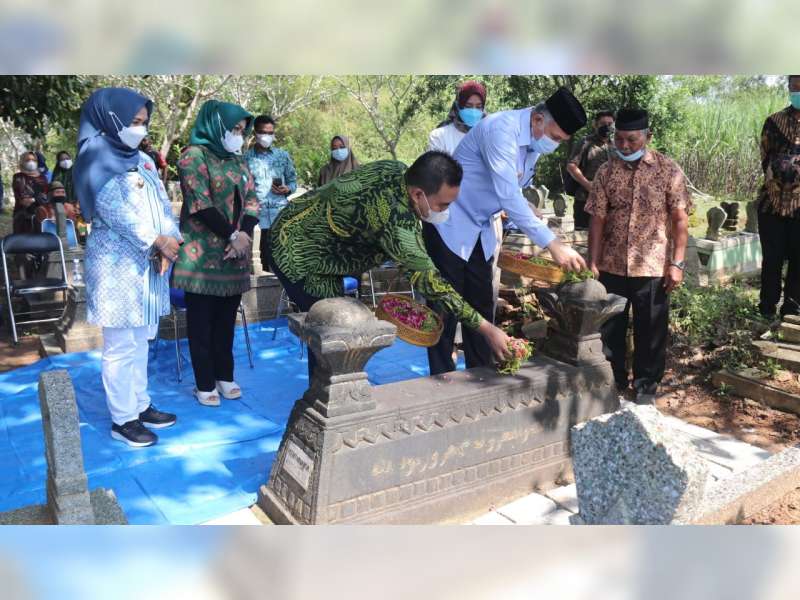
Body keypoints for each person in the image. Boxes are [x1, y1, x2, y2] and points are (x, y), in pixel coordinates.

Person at [268, 152, 512, 379]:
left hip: (317, 240)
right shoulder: (396, 223)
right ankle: (328, 405)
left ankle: (336, 389)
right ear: (418, 195)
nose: (445, 212)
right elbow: (432, 284)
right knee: (331, 329)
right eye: (443, 205)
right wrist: (487, 329)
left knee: (335, 328)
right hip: (296, 250)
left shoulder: (396, 170)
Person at [425, 86, 588, 375]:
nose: (555, 144)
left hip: (481, 230)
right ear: (538, 119)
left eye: (560, 140)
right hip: (451, 223)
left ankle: (480, 376)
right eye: (555, 137)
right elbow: (508, 195)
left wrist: (529, 207)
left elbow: (514, 190)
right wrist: (554, 245)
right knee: (444, 307)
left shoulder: (533, 143)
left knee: (481, 305)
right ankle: (440, 379)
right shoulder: (501, 130)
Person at [74, 87, 181, 447]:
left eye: (144, 123)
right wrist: (157, 240)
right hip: (117, 268)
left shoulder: (143, 159)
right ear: (112, 119)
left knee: (142, 339)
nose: (141, 129)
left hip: (150, 266)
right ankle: (123, 420)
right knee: (120, 344)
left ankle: (140, 403)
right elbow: (112, 209)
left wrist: (172, 239)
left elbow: (164, 203)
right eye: (134, 122)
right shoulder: (95, 157)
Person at [585, 108, 691, 405]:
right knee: (610, 328)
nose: (625, 146)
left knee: (651, 329)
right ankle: (613, 380)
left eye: (632, 140)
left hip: (653, 266)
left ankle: (646, 385)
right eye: (619, 139)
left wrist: (677, 263)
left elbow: (680, 219)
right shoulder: (606, 172)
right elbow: (597, 220)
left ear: (647, 137)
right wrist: (592, 261)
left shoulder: (668, 170)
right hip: (611, 266)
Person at [172, 100, 260, 407]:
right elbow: (200, 202)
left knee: (226, 321)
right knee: (202, 323)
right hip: (202, 255)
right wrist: (232, 235)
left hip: (234, 254)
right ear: (215, 125)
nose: (238, 135)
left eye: (241, 130)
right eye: (233, 129)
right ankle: (204, 383)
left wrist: (244, 235)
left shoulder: (239, 160)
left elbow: (252, 199)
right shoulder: (193, 156)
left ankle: (225, 376)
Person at [755, 74, 800, 319]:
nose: (797, 90)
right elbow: (766, 157)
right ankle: (766, 309)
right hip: (771, 204)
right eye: (794, 86)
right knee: (771, 260)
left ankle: (792, 311)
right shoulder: (774, 122)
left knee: (798, 261)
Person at [245, 115, 297, 273]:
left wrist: (287, 189)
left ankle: (281, 296)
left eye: (270, 133)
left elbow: (293, 181)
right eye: (262, 132)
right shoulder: (245, 158)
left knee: (281, 263)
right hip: (256, 220)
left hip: (280, 217)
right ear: (255, 133)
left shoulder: (283, 156)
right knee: (260, 265)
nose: (266, 136)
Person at [566, 110, 615, 229]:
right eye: (603, 123)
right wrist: (587, 184)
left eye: (610, 124)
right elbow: (571, 166)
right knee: (582, 239)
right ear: (595, 124)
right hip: (585, 200)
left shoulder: (615, 146)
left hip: (608, 202)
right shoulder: (585, 142)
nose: (607, 127)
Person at [428, 80, 487, 155]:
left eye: (478, 107)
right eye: (468, 106)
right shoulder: (439, 136)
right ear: (458, 106)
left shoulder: (489, 137)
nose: (473, 111)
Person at [11, 151, 49, 235]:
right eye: (27, 160)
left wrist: (38, 199)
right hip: (23, 216)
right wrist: (37, 199)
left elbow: (47, 195)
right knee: (25, 244)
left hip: (43, 215)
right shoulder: (18, 177)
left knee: (43, 243)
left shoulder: (43, 178)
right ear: (22, 162)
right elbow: (23, 200)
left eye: (34, 160)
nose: (31, 162)